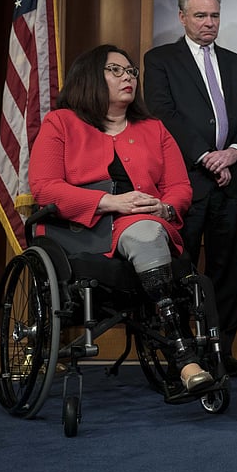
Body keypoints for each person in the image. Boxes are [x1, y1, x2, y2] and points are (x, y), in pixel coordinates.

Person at [29, 44, 214, 392]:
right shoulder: (61, 123)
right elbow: (44, 187)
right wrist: (111, 202)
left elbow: (178, 187)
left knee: (145, 230)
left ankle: (183, 353)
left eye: (131, 72)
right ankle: (183, 355)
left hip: (146, 222)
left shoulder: (154, 129)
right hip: (80, 232)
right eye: (116, 70)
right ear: (90, 77)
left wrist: (164, 208)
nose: (128, 77)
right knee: (143, 232)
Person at [144, 0, 237, 378]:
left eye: (213, 16)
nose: (209, 23)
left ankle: (220, 354)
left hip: (231, 182)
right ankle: (183, 357)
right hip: (186, 181)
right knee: (180, 270)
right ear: (182, 17)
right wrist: (207, 156)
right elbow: (163, 114)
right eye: (200, 16)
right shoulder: (161, 60)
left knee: (227, 272)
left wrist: (234, 153)